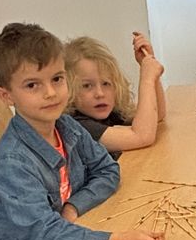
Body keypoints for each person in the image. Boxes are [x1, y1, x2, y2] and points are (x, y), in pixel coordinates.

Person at [0, 23, 164, 240]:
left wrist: (73, 206)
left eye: (57, 79)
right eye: (33, 85)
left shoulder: (66, 127)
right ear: (6, 96)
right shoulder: (12, 164)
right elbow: (46, 235)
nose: (51, 93)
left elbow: (107, 170)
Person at [65, 32, 167, 160]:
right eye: (87, 86)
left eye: (106, 83)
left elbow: (157, 115)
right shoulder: (79, 126)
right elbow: (142, 136)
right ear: (68, 90)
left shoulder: (110, 113)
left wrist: (148, 62)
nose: (100, 93)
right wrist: (147, 78)